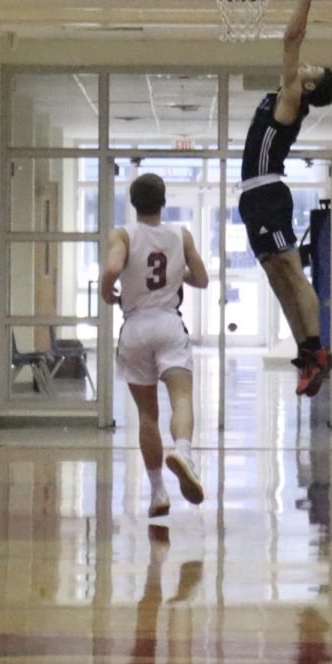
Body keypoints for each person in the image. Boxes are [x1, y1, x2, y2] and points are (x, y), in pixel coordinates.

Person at [238, 0, 332, 397]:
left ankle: (318, 349)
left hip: (267, 193)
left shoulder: (292, 98)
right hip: (252, 198)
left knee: (292, 272)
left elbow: (291, 38)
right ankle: (306, 352)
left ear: (311, 89)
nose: (305, 67)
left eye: (311, 72)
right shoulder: (286, 96)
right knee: (275, 275)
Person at [101, 173, 209, 518]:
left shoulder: (123, 234)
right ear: (164, 202)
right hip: (168, 322)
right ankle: (184, 452)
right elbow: (202, 279)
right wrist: (180, 275)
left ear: (133, 204)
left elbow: (113, 268)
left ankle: (158, 492)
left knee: (148, 414)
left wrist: (107, 291)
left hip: (134, 327)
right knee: (181, 398)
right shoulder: (181, 234)